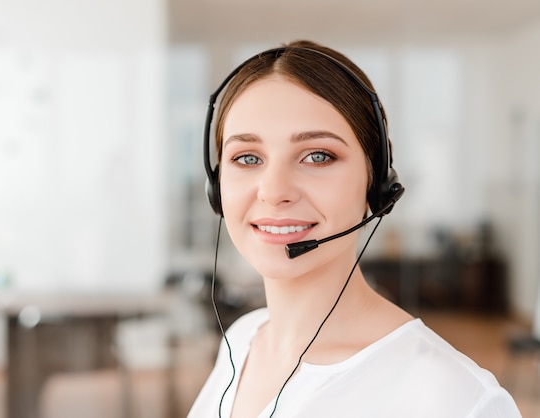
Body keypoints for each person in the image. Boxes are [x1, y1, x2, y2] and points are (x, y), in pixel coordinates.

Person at [188, 40, 521, 418]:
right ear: (216, 187)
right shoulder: (244, 339)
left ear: (376, 185)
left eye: (317, 156)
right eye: (247, 158)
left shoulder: (452, 398)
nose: (274, 191)